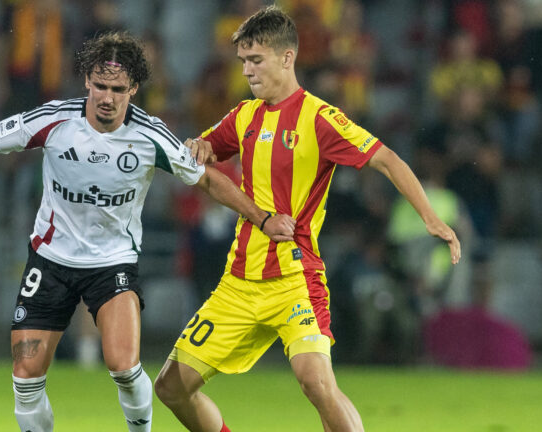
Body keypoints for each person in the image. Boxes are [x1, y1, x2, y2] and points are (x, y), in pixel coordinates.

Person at [0, 32, 294, 432]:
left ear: (134, 88)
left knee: (123, 366)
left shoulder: (150, 135)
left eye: (118, 89)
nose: (107, 97)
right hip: (50, 262)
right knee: (25, 375)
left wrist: (262, 218)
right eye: (100, 86)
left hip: (112, 264)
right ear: (87, 81)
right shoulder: (55, 119)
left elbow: (208, 181)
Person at [154, 6, 462, 432]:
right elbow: (203, 149)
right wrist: (197, 145)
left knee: (317, 383)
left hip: (294, 280)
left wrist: (429, 217)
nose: (246, 71)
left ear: (287, 57)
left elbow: (387, 159)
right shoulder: (243, 116)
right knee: (169, 387)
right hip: (239, 283)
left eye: (256, 60)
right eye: (243, 61)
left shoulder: (319, 118)